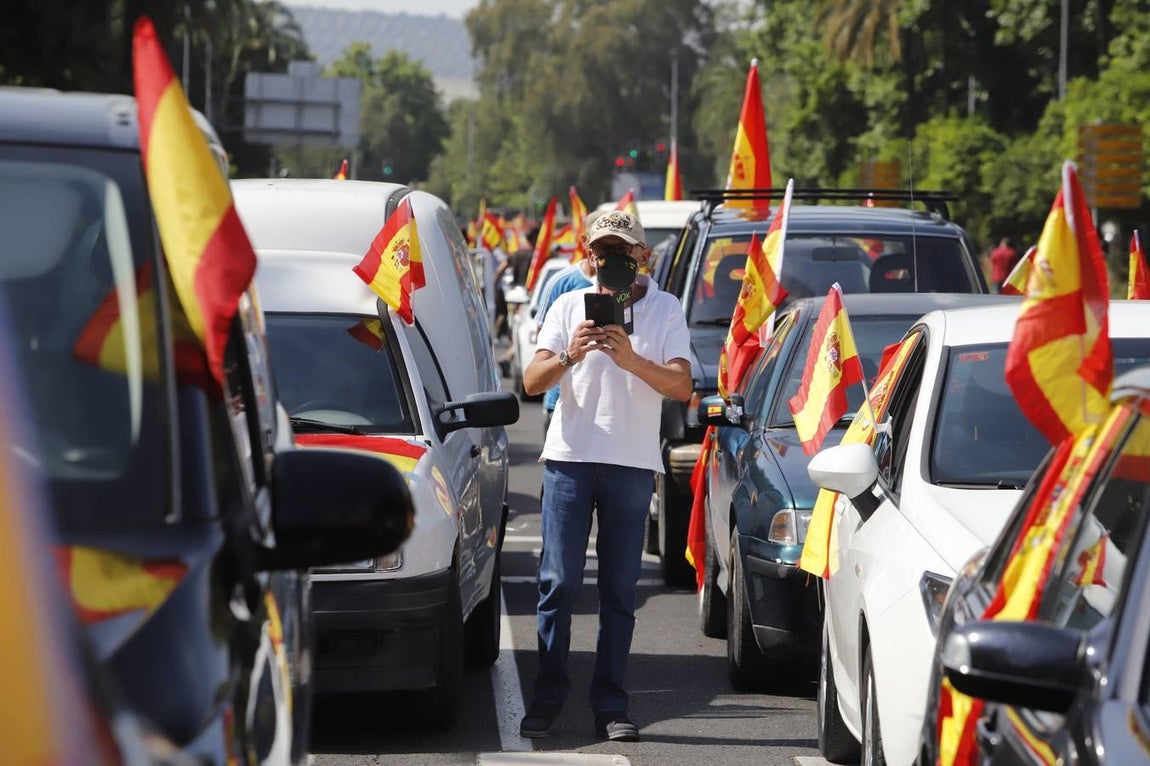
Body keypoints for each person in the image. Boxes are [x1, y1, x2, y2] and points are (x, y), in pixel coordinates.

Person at [519, 210, 692, 743]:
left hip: (632, 463)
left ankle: (611, 704)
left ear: (642, 257)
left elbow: (682, 387)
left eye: (621, 252)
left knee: (619, 591)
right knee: (559, 583)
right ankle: (548, 697)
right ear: (588, 256)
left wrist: (631, 358)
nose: (608, 261)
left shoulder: (666, 309)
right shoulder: (569, 304)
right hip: (571, 457)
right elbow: (531, 380)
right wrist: (573, 351)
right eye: (601, 252)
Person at [534, 211, 603, 437]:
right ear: (586, 244)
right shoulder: (562, 283)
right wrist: (572, 352)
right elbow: (543, 342)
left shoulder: (630, 286)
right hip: (562, 402)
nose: (605, 253)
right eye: (599, 244)